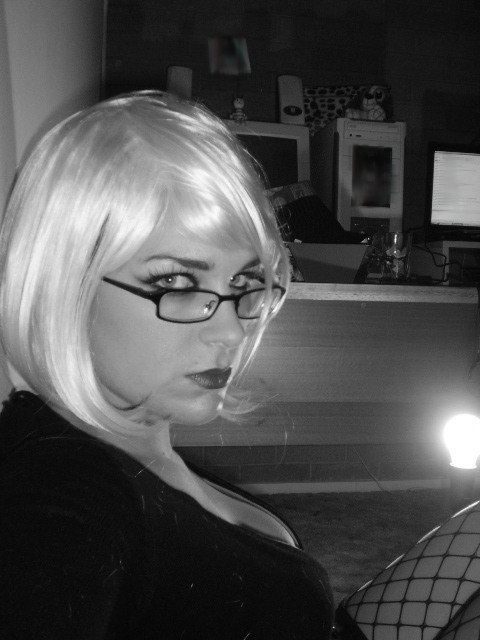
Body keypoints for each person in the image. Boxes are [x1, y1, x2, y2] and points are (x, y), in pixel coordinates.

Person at [0, 92, 333, 639]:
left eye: (243, 281)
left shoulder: (127, 447)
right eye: (175, 282)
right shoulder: (62, 492)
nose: (231, 330)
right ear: (64, 286)